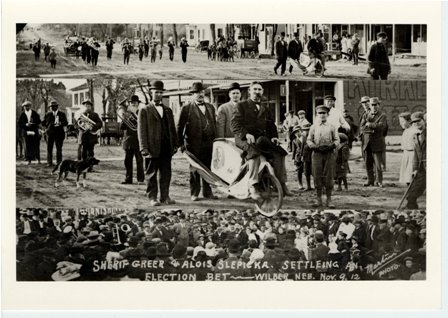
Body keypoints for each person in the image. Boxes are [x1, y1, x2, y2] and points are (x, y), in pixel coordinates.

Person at [231, 81, 291, 199]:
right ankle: (253, 185)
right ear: (249, 91)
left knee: (280, 152)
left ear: (262, 92)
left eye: (259, 90)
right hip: (243, 138)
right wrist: (245, 134)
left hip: (261, 139)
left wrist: (274, 136)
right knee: (254, 153)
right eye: (255, 90)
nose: (257, 92)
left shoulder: (265, 108)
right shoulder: (241, 106)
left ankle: (281, 183)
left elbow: (271, 125)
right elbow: (234, 124)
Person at [138, 81, 178, 206]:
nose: (159, 95)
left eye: (161, 92)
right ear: (151, 93)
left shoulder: (168, 110)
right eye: (156, 92)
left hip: (166, 147)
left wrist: (175, 144)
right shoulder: (144, 110)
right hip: (151, 147)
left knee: (166, 174)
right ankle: (152, 197)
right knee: (151, 174)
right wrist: (143, 147)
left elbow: (172, 128)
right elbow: (141, 130)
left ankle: (165, 197)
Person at [177, 82, 217, 201]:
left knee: (208, 168)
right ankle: (194, 193)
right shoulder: (187, 108)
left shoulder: (210, 107)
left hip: (209, 143)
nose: (199, 95)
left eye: (201, 92)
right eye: (196, 93)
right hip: (193, 144)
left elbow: (214, 123)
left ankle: (207, 192)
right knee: (194, 169)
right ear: (192, 95)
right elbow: (180, 127)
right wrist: (180, 144)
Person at [307, 105, 340, 208]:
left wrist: (332, 145)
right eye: (320, 113)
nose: (322, 115)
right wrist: (314, 147)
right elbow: (308, 140)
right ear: (317, 115)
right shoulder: (313, 127)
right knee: (317, 175)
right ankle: (318, 199)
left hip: (329, 153)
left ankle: (329, 200)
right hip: (317, 153)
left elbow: (337, 139)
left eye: (324, 113)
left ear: (327, 114)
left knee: (329, 176)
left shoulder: (332, 127)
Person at [360, 97, 387, 187]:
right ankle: (370, 180)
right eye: (372, 105)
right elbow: (362, 127)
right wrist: (372, 127)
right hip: (367, 142)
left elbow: (381, 127)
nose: (374, 107)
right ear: (370, 105)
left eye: (376, 105)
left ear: (379, 105)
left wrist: (370, 124)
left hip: (377, 142)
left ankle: (379, 181)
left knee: (378, 163)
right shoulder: (366, 114)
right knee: (368, 162)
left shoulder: (382, 115)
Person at [119, 96, 145, 186]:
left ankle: (140, 179)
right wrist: (124, 119)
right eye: (132, 103)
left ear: (138, 104)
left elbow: (144, 125)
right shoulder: (126, 114)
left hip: (138, 140)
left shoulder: (141, 112)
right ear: (129, 104)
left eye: (135, 103)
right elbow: (122, 127)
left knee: (139, 161)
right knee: (127, 161)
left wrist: (136, 116)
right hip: (128, 141)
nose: (133, 104)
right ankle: (128, 179)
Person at [405, 112, 426, 209]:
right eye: (414, 122)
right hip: (421, 170)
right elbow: (416, 155)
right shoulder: (415, 136)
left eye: (418, 121)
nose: (416, 124)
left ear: (424, 120)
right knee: (411, 196)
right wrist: (415, 169)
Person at [77, 100, 103, 171]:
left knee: (91, 152)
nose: (87, 107)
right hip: (84, 135)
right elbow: (78, 124)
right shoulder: (81, 114)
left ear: (91, 107)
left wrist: (92, 127)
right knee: (84, 151)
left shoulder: (95, 115)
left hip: (91, 136)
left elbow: (100, 124)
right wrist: (83, 126)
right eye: (86, 106)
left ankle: (90, 167)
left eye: (88, 106)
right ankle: (83, 166)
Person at [42, 100, 68, 167]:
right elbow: (43, 123)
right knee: (49, 148)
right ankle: (49, 162)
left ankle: (59, 162)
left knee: (59, 148)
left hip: (59, 134)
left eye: (54, 106)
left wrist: (60, 123)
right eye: (51, 107)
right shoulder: (48, 114)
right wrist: (45, 128)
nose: (52, 108)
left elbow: (66, 123)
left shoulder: (62, 114)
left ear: (57, 107)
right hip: (50, 134)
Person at [18, 101, 42, 165]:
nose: (26, 107)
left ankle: (38, 159)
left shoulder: (34, 113)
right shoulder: (22, 114)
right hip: (26, 132)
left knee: (36, 146)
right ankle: (29, 160)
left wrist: (33, 124)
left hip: (34, 131)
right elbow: (20, 123)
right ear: (24, 107)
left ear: (30, 106)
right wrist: (26, 124)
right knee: (28, 146)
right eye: (25, 106)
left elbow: (39, 121)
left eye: (28, 106)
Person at [292, 123, 313, 191]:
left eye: (298, 131)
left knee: (307, 170)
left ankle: (308, 185)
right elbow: (294, 150)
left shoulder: (306, 138)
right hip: (298, 157)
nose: (297, 133)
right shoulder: (294, 140)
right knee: (299, 171)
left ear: (301, 131)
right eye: (295, 132)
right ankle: (300, 184)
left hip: (306, 156)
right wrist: (294, 159)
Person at [398, 112, 416, 185]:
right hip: (406, 152)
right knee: (406, 170)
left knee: (410, 169)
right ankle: (408, 183)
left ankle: (411, 184)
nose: (401, 124)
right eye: (400, 122)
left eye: (402, 121)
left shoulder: (414, 130)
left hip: (412, 153)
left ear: (409, 121)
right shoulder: (406, 131)